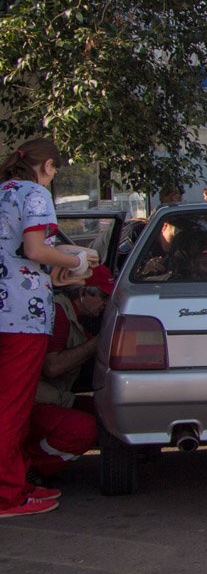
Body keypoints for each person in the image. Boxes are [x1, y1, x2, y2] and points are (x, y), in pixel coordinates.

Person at [0, 137, 97, 518]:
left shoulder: (3, 191)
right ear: (48, 167)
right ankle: (9, 494)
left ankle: (15, 483)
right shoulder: (33, 194)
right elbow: (36, 250)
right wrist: (72, 263)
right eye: (55, 171)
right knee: (13, 407)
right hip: (21, 313)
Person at [23, 267, 112, 487]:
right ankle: (29, 469)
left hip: (50, 396)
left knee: (107, 414)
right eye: (103, 296)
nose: (105, 304)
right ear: (83, 292)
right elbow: (52, 367)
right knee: (84, 429)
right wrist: (96, 343)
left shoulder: (78, 317)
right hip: (33, 400)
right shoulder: (59, 314)